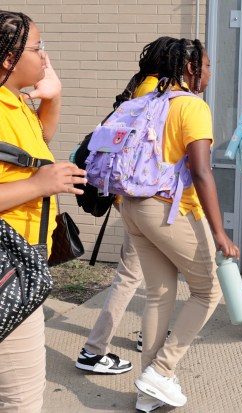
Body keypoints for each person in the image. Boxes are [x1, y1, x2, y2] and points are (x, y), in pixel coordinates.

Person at [122, 38, 239, 409]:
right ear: (190, 68)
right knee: (209, 291)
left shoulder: (149, 99)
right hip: (167, 210)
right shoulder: (192, 107)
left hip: (134, 207)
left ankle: (150, 390)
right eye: (206, 65)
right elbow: (202, 172)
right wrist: (220, 232)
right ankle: (162, 370)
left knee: (159, 294)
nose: (209, 72)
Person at [0, 10, 87, 411]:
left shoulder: (13, 103)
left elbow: (40, 139)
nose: (45, 56)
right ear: (8, 59)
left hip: (22, 261)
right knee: (22, 399)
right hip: (7, 268)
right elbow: (34, 172)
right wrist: (39, 185)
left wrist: (53, 93)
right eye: (37, 48)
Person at [75, 36, 175, 378]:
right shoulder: (155, 89)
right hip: (137, 194)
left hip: (130, 193)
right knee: (130, 274)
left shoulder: (144, 85)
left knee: (150, 267)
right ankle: (93, 350)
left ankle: (149, 334)